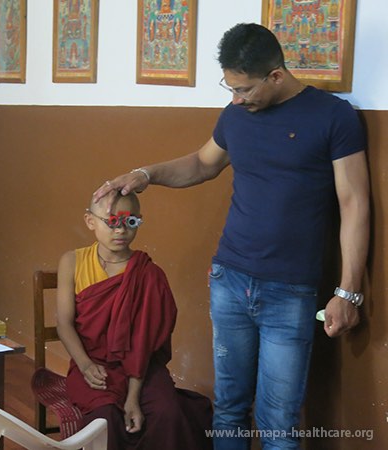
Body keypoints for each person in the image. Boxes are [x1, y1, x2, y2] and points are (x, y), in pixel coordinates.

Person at [93, 23, 369, 450]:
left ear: (276, 75)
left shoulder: (333, 116)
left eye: (244, 89)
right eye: (230, 87)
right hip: (229, 280)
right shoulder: (237, 114)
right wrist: (146, 175)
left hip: (290, 290)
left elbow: (354, 204)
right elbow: (203, 164)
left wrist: (348, 293)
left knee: (278, 421)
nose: (235, 99)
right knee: (229, 407)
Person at [56, 190, 212, 450]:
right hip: (93, 363)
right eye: (112, 221)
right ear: (90, 221)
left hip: (142, 368)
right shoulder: (73, 262)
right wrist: (84, 365)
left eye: (130, 222)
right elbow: (64, 323)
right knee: (105, 418)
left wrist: (133, 397)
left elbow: (143, 345)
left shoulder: (148, 274)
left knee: (168, 413)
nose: (120, 231)